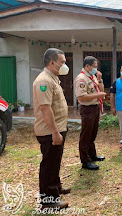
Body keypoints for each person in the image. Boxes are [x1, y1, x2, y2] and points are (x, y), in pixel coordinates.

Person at [33, 48, 70, 209]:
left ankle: (56, 188)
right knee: (49, 165)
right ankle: (49, 201)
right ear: (52, 62)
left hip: (57, 129)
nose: (64, 65)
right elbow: (45, 109)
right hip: (49, 132)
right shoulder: (44, 81)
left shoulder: (53, 78)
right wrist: (55, 132)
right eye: (62, 62)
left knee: (55, 162)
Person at [74, 56, 106, 170]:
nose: (96, 69)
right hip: (87, 109)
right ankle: (85, 161)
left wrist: (100, 79)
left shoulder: (92, 77)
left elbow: (101, 90)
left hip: (94, 107)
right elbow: (81, 96)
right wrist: (99, 96)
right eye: (94, 67)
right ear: (87, 66)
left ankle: (92, 155)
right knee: (86, 135)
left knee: (93, 133)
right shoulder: (82, 79)